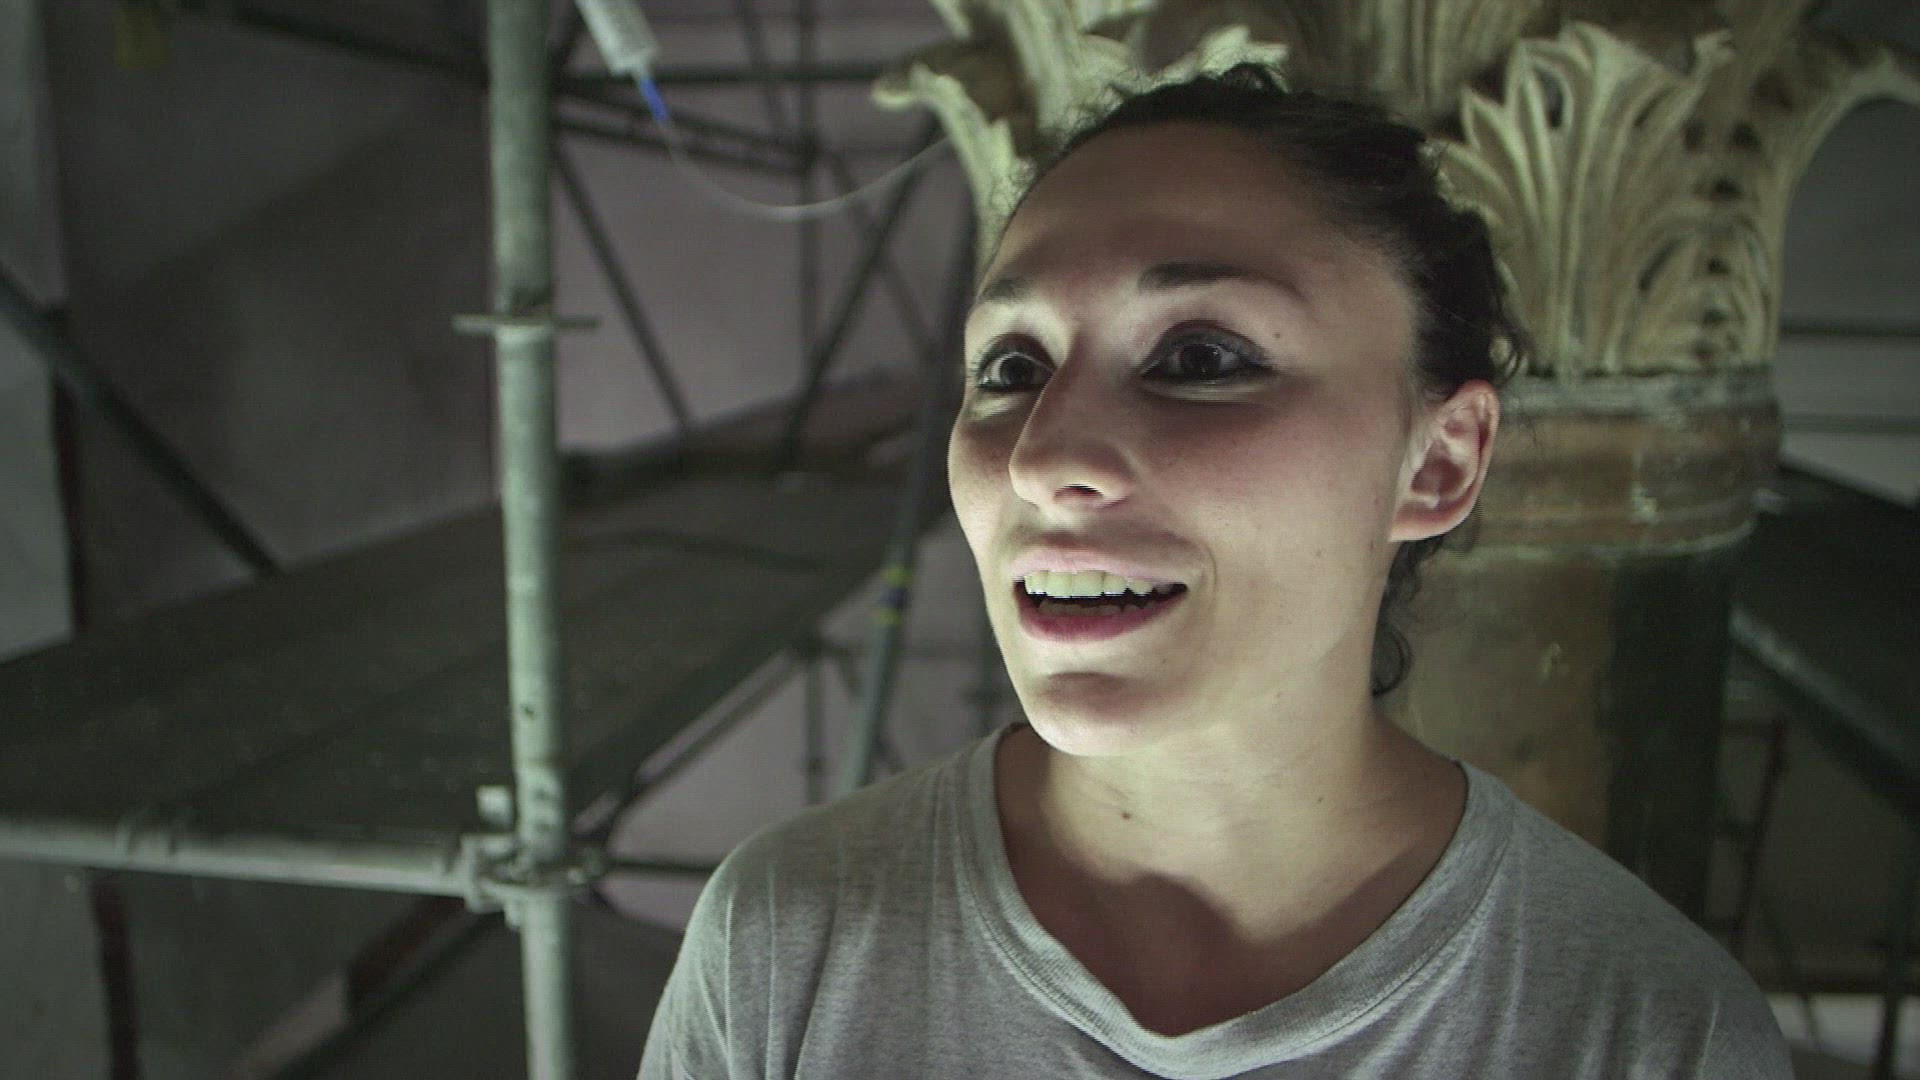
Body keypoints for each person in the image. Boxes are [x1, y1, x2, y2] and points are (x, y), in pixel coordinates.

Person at [638, 65, 1790, 1078]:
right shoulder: (789, 946)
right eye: (1012, 368)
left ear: (1437, 460)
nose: (1043, 458)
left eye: (1200, 357)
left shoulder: (1644, 1033)